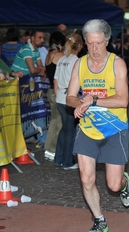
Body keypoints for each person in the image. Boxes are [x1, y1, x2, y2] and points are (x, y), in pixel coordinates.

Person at [66, 19, 129, 232]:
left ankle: (125, 185)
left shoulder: (117, 64)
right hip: (87, 129)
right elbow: (69, 97)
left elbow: (123, 100)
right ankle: (99, 220)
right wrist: (78, 105)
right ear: (85, 42)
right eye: (90, 43)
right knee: (86, 179)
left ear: (107, 41)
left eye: (98, 43)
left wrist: (92, 101)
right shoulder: (80, 64)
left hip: (115, 129)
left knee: (113, 185)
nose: (94, 49)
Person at [12, 30, 47, 147]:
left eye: (43, 38)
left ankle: (30, 136)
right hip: (18, 83)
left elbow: (40, 66)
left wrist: (41, 70)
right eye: (39, 37)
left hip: (25, 82)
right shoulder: (27, 49)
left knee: (29, 109)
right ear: (32, 38)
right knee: (30, 109)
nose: (42, 40)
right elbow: (33, 69)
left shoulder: (35, 50)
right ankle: (40, 139)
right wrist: (41, 70)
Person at [54, 33, 82, 169]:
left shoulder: (61, 59)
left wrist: (57, 94)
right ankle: (68, 161)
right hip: (69, 97)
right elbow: (77, 81)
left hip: (60, 96)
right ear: (80, 46)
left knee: (64, 129)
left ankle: (59, 158)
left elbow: (55, 80)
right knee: (70, 130)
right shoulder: (77, 61)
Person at [43, 31, 66, 161]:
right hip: (57, 91)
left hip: (50, 90)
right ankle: (52, 150)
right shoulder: (58, 55)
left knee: (53, 121)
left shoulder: (48, 55)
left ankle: (48, 149)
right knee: (59, 122)